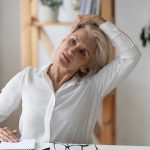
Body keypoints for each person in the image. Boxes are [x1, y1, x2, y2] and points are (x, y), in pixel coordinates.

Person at [0, 15, 141, 144]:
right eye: (73, 41)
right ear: (64, 39)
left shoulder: (93, 87)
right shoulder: (27, 78)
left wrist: (96, 19)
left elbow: (131, 55)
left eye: (82, 52)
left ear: (86, 66)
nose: (72, 51)